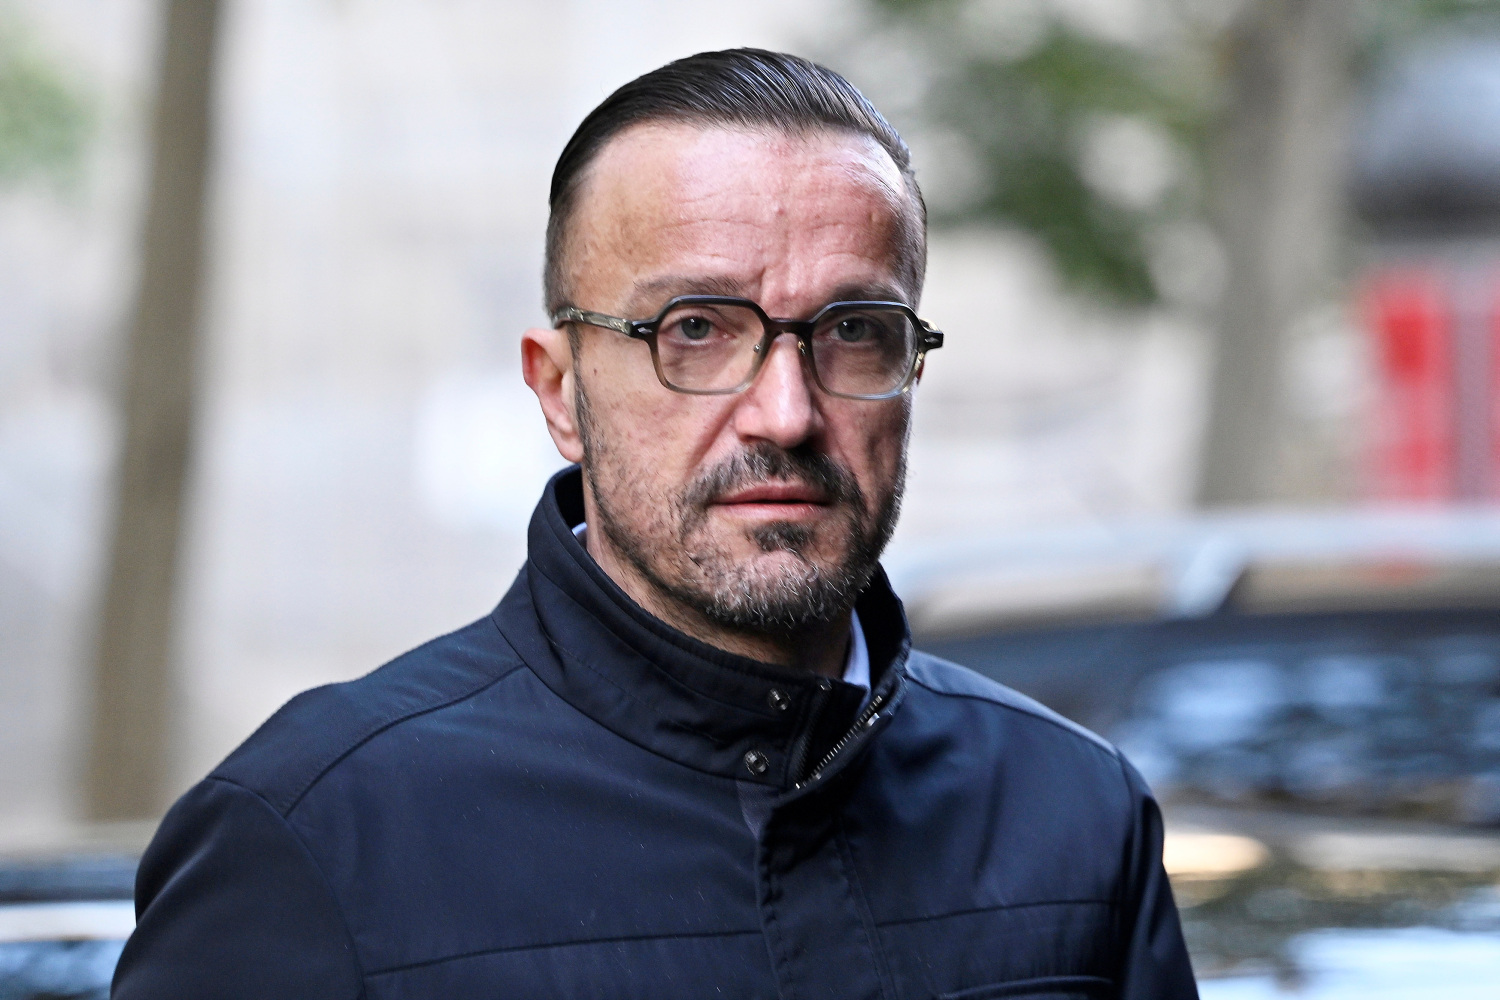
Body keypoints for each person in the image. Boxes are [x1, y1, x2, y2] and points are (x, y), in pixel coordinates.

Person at [112, 49, 1198, 999]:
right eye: (696, 330)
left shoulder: (1072, 815)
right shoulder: (319, 834)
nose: (786, 413)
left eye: (853, 330)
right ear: (559, 392)